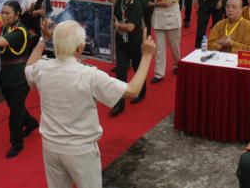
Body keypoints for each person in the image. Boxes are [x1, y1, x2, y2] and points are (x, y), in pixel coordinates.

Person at [26, 19, 154, 187]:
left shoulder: (42, 68)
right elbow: (133, 90)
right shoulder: (89, 75)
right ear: (80, 48)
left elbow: (28, 66)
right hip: (81, 150)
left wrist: (43, 39)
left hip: (50, 146)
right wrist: (146, 56)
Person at [0, 0, 39, 158]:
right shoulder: (5, 28)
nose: (3, 16)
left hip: (19, 75)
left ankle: (16, 143)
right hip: (5, 72)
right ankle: (31, 122)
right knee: (14, 105)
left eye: (7, 13)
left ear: (17, 15)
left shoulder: (19, 31)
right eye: (2, 12)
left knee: (15, 111)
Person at [112, 0, 146, 116]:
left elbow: (131, 27)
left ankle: (141, 92)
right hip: (121, 42)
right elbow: (113, 18)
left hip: (134, 42)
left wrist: (118, 25)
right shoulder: (119, 2)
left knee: (138, 68)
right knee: (120, 72)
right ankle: (119, 104)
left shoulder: (137, 4)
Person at [150, 0, 182, 83]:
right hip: (158, 18)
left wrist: (153, 4)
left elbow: (168, 3)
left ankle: (177, 64)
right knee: (159, 48)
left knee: (174, 47)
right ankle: (159, 73)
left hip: (171, 19)